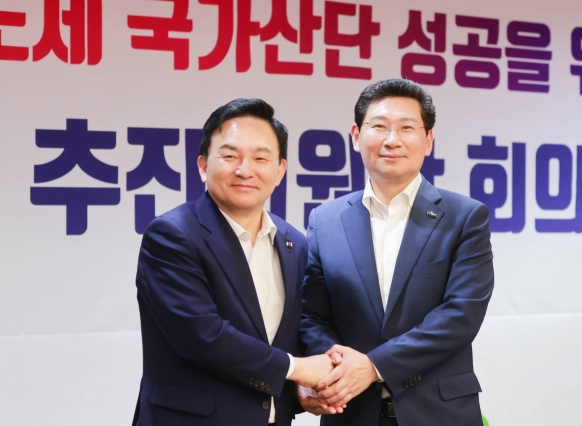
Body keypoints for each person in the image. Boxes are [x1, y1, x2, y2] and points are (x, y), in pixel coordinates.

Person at [298, 79, 494, 426]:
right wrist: (336, 366)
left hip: (439, 413)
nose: (392, 140)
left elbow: (461, 315)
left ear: (428, 140)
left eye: (407, 128)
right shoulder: (324, 220)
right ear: (356, 136)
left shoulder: (465, 216)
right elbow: (311, 315)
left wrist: (373, 367)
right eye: (379, 127)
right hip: (351, 411)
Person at [132, 98, 334, 426]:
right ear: (202, 165)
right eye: (229, 156)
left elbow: (289, 333)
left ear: (280, 170)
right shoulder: (172, 235)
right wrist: (297, 368)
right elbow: (204, 337)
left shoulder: (293, 242)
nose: (244, 170)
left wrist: (304, 386)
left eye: (260, 157)